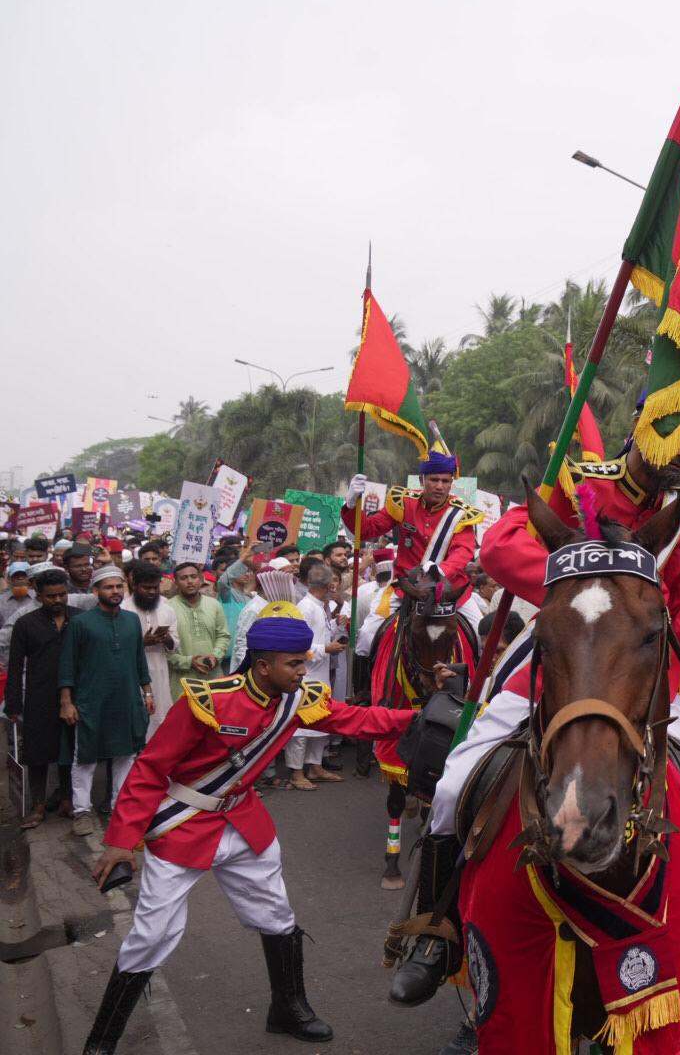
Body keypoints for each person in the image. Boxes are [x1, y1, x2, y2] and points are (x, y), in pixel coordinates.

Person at [410, 408, 680, 1006]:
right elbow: (502, 549)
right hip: (562, 664)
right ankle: (438, 928)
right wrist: (588, 584)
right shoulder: (581, 478)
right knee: (453, 783)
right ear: (643, 431)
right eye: (678, 440)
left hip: (642, 681)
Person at [80, 603, 419, 1054]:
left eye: (304, 662)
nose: (304, 670)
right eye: (295, 663)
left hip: (243, 824)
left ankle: (288, 1009)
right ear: (263, 666)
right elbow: (149, 770)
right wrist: (121, 843)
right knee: (152, 935)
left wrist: (420, 716)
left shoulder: (297, 701)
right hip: (184, 825)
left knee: (276, 916)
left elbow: (356, 720)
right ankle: (101, 1043)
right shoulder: (209, 700)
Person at [341, 443, 484, 643]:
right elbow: (365, 530)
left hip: (451, 591)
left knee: (480, 638)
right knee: (366, 638)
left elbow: (463, 550)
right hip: (406, 588)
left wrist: (440, 570)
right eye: (434, 480)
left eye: (445, 480)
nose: (440, 486)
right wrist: (351, 504)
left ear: (451, 482)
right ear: (422, 479)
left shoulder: (461, 514)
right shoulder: (404, 503)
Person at [58, 566, 155, 837]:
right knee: (85, 757)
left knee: (125, 754)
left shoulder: (131, 621)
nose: (115, 591)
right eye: (109, 587)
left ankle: (118, 808)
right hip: (90, 700)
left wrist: (147, 693)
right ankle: (82, 811)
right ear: (96, 591)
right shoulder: (81, 623)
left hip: (125, 699)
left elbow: (139, 660)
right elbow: (67, 665)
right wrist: (66, 701)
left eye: (119, 586)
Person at [4, 568, 81, 829]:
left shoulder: (79, 620)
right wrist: (12, 703)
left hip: (75, 695)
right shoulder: (26, 624)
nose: (58, 600)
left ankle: (67, 799)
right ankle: (37, 805)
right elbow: (14, 665)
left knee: (69, 748)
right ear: (39, 595)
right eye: (51, 596)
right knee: (37, 751)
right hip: (38, 694)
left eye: (62, 594)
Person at [287, 564, 347, 789]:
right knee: (302, 726)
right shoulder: (305, 608)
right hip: (306, 676)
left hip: (321, 675)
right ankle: (296, 773)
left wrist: (334, 625)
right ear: (328, 585)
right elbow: (298, 648)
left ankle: (315, 765)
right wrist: (325, 649)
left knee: (320, 721)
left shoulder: (320, 606)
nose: (336, 586)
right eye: (333, 582)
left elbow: (319, 635)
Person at [122, 561, 179, 736]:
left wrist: (166, 637)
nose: (152, 592)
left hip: (160, 673)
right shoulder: (123, 610)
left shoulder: (167, 609)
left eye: (155, 587)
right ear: (135, 585)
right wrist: (142, 643)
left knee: (160, 721)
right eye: (146, 588)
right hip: (131, 675)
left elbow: (175, 645)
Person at [168, 560, 230, 702]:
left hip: (213, 678)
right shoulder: (168, 608)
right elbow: (164, 649)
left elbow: (223, 636)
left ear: (201, 579)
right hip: (182, 681)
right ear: (175, 582)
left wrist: (215, 656)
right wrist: (189, 662)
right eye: (183, 578)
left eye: (193, 577)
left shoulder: (214, 605)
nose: (190, 581)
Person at [2, 560, 34, 626]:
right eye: (16, 575)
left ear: (30, 577)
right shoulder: (1, 600)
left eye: (24, 575)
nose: (20, 578)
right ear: (9, 578)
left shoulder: (38, 597)